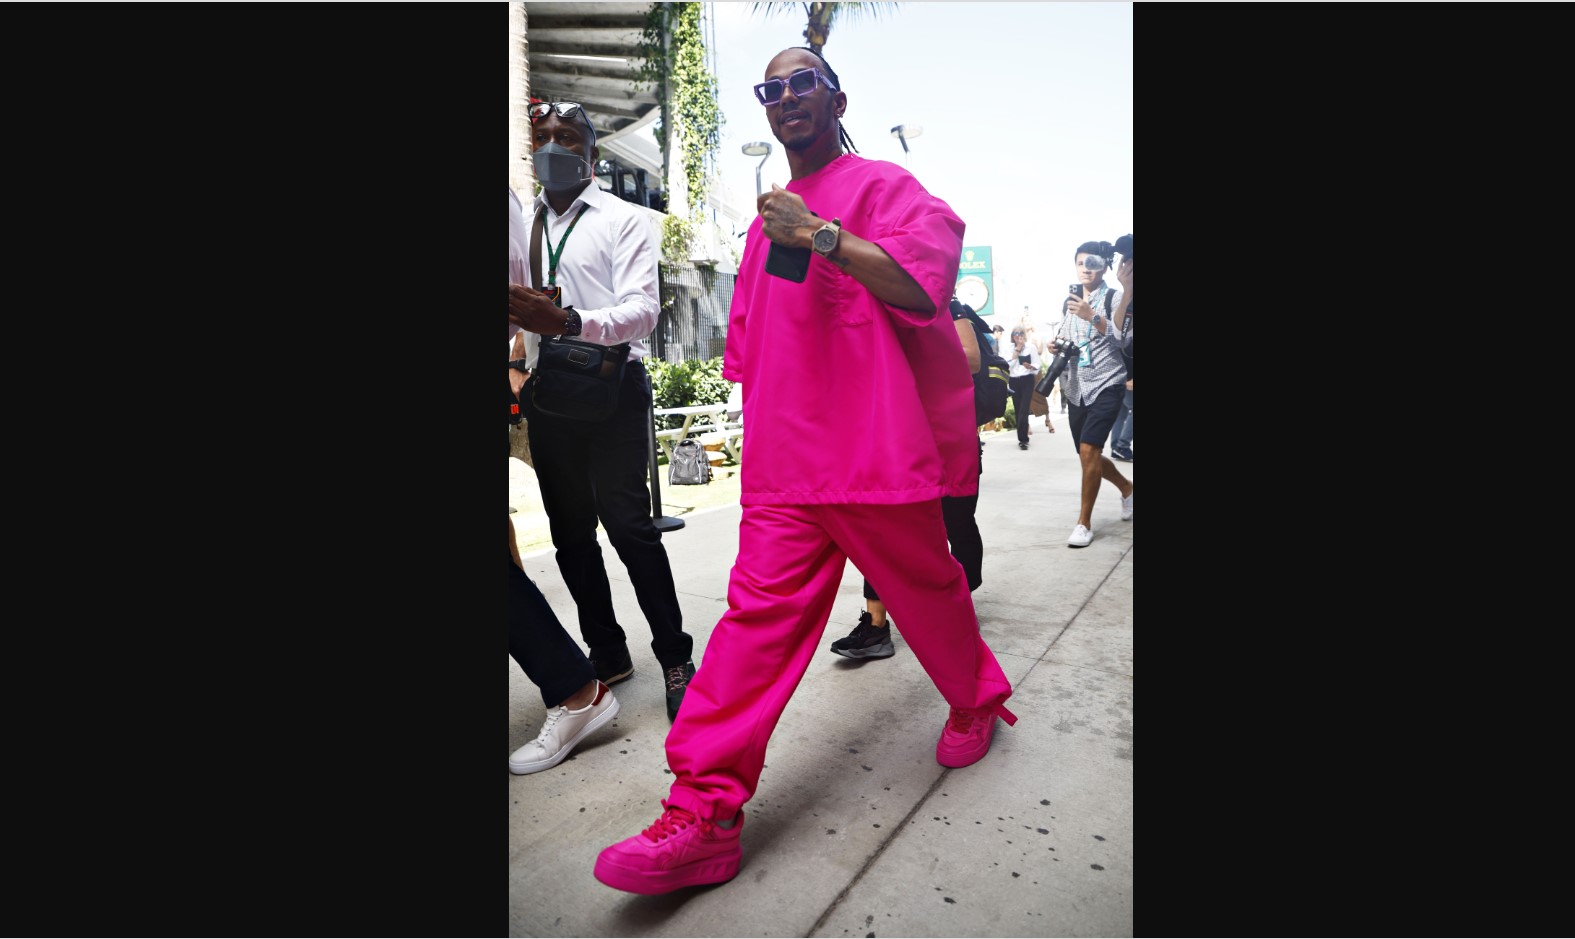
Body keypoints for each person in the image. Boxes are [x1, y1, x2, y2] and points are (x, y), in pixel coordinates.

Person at [593, 46, 1017, 895]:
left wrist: (822, 236)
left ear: (835, 99)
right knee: (751, 631)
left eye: (803, 84)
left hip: (870, 451)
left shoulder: (884, 189)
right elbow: (755, 351)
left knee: (926, 590)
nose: (786, 98)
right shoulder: (759, 224)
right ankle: (701, 809)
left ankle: (975, 697)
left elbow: (919, 289)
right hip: (786, 465)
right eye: (772, 88)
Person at [507, 104, 698, 722]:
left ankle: (675, 659)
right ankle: (607, 654)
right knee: (570, 538)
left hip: (613, 391)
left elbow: (643, 310)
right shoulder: (524, 223)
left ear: (593, 150)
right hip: (549, 396)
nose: (553, 145)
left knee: (630, 529)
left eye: (567, 136)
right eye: (543, 136)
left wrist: (568, 321)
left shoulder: (624, 220)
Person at [830, 298, 992, 660]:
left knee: (957, 525)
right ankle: (875, 626)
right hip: (896, 439)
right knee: (882, 531)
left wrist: (903, 353)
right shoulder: (874, 303)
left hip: (948, 442)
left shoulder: (949, 307)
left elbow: (971, 359)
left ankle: (958, 609)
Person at [1050, 241, 1133, 548]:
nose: (1086, 268)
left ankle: (1083, 523)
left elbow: (1122, 339)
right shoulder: (1068, 301)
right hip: (1075, 387)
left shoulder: (1114, 297)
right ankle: (1127, 487)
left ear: (1104, 266)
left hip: (1106, 382)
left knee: (1089, 451)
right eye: (1080, 262)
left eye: (1093, 262)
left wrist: (1092, 316)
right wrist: (1055, 344)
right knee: (1088, 455)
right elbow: (1066, 333)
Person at [1006, 327, 1040, 450]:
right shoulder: (1009, 348)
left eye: (1021, 333)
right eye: (1015, 333)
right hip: (1014, 380)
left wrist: (1031, 366)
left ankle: (1023, 440)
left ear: (1024, 335)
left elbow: (1037, 364)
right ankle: (1021, 437)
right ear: (1012, 336)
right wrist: (1017, 349)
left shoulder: (1031, 347)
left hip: (1027, 380)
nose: (1018, 336)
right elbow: (1008, 365)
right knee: (1018, 408)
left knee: (1024, 409)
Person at [1109, 377, 1133, 462]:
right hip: (1127, 379)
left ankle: (1116, 447)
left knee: (1121, 414)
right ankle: (1122, 446)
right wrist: (1129, 378)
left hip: (1117, 380)